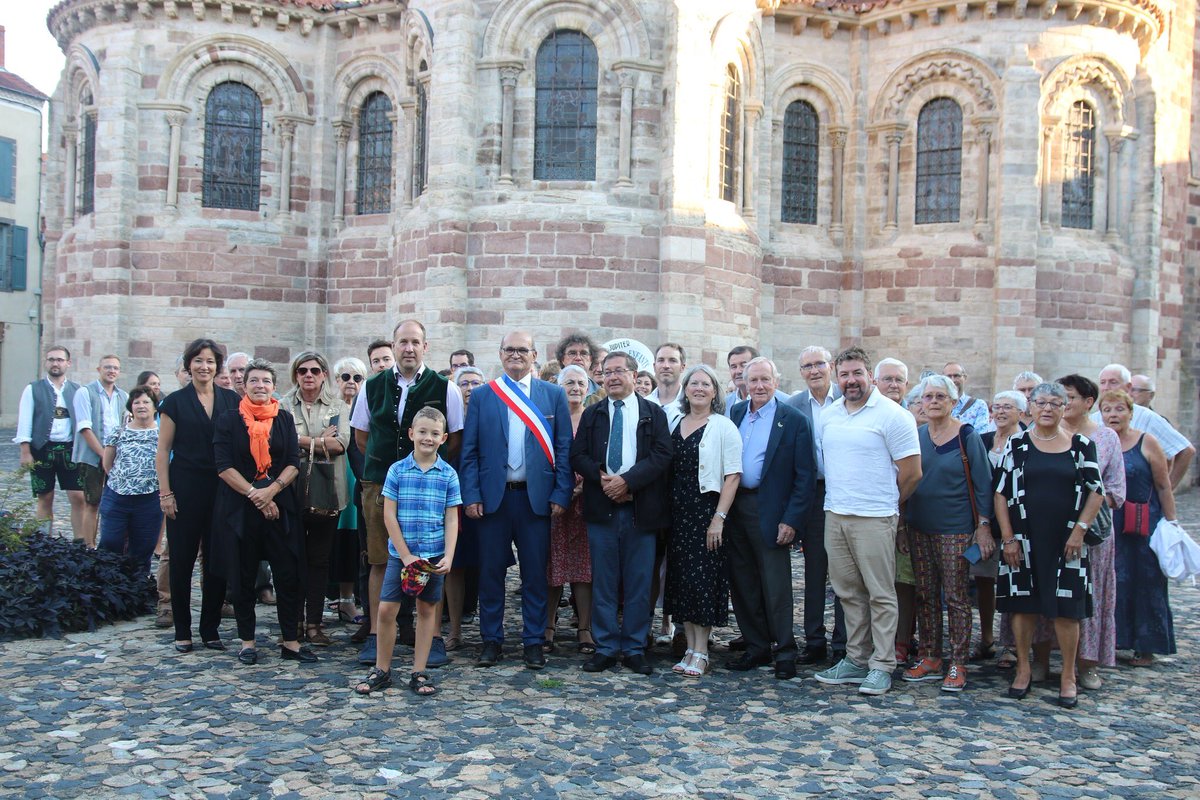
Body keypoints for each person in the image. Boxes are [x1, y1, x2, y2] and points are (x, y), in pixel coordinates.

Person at [350, 320, 464, 666]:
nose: (409, 348)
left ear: (425, 346)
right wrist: (394, 471)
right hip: (380, 484)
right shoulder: (372, 386)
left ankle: (433, 636)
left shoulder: (446, 388)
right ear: (394, 346)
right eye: (403, 342)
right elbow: (361, 437)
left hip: (430, 486)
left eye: (415, 342)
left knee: (430, 559)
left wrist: (424, 468)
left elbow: (454, 439)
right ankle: (376, 634)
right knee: (379, 559)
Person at [460, 331, 573, 669]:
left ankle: (533, 642)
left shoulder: (553, 395)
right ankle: (491, 640)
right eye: (509, 349)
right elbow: (470, 451)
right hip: (493, 500)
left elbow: (564, 449)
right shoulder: (483, 395)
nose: (515, 355)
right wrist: (471, 494)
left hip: (535, 499)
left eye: (522, 350)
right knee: (491, 573)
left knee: (535, 576)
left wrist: (561, 492)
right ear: (500, 353)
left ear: (534, 355)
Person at [814, 346, 921, 697]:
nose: (851, 380)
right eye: (844, 374)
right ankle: (857, 658)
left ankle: (883, 664)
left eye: (857, 373)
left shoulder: (893, 416)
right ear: (837, 376)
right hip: (836, 514)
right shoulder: (829, 415)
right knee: (848, 592)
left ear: (870, 376)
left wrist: (888, 502)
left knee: (880, 593)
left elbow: (912, 473)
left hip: (875, 518)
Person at [994, 382, 1104, 709]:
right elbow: (1000, 493)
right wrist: (1008, 538)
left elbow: (1096, 491)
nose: (1047, 409)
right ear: (1030, 407)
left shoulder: (1081, 445)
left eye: (1055, 403)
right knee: (1023, 606)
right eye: (1041, 402)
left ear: (1064, 408)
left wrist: (1079, 532)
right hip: (1023, 540)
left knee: (1068, 610)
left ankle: (1068, 676)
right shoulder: (1017, 444)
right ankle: (1024, 669)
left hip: (1067, 541)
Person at [571, 351, 673, 676]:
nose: (612, 377)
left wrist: (628, 481)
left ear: (634, 375)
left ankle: (634, 647)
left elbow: (662, 455)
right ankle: (604, 647)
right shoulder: (593, 413)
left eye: (619, 371)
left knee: (639, 582)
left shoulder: (653, 413)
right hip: (602, 508)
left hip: (640, 510)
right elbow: (578, 455)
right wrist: (601, 477)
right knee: (604, 581)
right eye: (607, 372)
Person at [211, 358, 313, 665]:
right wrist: (256, 495)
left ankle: (291, 641)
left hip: (280, 506)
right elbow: (223, 466)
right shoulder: (229, 419)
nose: (260, 386)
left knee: (288, 573)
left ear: (274, 386)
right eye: (254, 380)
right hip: (240, 507)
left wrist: (271, 491)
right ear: (244, 385)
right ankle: (247, 642)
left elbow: (293, 462)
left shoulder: (284, 418)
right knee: (243, 575)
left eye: (266, 381)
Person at [355, 407, 461, 696]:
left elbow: (452, 519)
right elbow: (389, 515)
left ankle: (419, 671)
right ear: (412, 434)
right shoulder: (397, 470)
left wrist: (449, 555)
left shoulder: (448, 474)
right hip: (400, 555)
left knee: (426, 610)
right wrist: (405, 556)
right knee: (387, 609)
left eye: (435, 433)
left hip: (432, 556)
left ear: (443, 438)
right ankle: (382, 669)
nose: (428, 438)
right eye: (422, 432)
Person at [900, 375, 993, 692]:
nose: (934, 402)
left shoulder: (967, 436)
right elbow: (906, 480)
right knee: (925, 594)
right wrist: (902, 525)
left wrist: (983, 526)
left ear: (953, 402)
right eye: (928, 397)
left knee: (955, 597)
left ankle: (958, 661)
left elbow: (983, 483)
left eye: (941, 396)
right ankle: (930, 656)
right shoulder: (917, 435)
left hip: (955, 528)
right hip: (918, 526)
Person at [726, 357, 815, 679]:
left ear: (776, 382)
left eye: (765, 380)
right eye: (753, 380)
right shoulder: (736, 413)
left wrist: (791, 520)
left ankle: (785, 650)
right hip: (736, 507)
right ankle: (756, 645)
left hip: (771, 511)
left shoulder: (793, 419)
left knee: (776, 585)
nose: (759, 386)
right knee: (743, 582)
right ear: (744, 383)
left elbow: (805, 476)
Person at [156, 338, 241, 653]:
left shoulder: (231, 400)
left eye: (210, 361)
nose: (204, 367)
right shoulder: (174, 402)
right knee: (182, 559)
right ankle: (182, 630)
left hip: (222, 489)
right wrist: (165, 493)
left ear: (217, 366)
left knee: (218, 561)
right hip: (185, 488)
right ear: (188, 365)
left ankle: (210, 629)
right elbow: (163, 451)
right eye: (198, 361)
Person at [663, 364, 740, 678]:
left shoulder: (723, 427)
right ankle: (689, 648)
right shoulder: (674, 421)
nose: (698, 388)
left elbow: (733, 476)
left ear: (714, 391)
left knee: (702, 583)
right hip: (677, 515)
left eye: (705, 384)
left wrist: (718, 519)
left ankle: (702, 651)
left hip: (706, 514)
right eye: (693, 383)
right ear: (685, 389)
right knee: (682, 582)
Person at [1054, 374, 1126, 691]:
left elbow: (1116, 490)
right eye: (1061, 397)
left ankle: (1087, 663)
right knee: (1049, 591)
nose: (1064, 403)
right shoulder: (1044, 431)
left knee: (1090, 596)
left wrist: (1081, 511)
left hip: (1091, 532)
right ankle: (1042, 659)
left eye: (1070, 397)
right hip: (1051, 527)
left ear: (1088, 402)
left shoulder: (1106, 438)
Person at [1101, 390, 1179, 667]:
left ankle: (1147, 646)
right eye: (1107, 410)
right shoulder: (1099, 442)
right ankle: (1113, 640)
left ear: (1130, 413)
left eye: (1119, 409)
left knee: (1146, 580)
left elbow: (1163, 485)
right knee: (1114, 580)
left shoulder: (1147, 441)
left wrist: (1171, 522)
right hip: (1109, 521)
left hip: (1143, 520)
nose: (1113, 415)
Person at [283, 352, 350, 647]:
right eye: (302, 371)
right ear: (295, 374)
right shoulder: (284, 405)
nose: (308, 375)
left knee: (319, 560)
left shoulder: (338, 405)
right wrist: (320, 440)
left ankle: (314, 623)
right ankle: (293, 621)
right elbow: (280, 441)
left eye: (314, 370)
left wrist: (300, 442)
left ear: (323, 374)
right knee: (293, 558)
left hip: (328, 491)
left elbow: (340, 444)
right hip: (290, 491)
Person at [786, 345, 846, 664]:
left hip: (846, 492)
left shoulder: (847, 398)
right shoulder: (794, 405)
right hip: (813, 494)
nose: (814, 371)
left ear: (831, 366)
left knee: (844, 571)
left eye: (819, 364)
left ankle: (844, 642)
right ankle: (814, 640)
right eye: (807, 366)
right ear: (801, 372)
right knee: (814, 570)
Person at [545, 365, 595, 656]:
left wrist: (583, 487)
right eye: (569, 383)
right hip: (554, 503)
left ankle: (584, 628)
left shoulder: (593, 418)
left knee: (583, 568)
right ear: (558, 386)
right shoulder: (550, 417)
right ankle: (548, 625)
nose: (575, 388)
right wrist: (561, 491)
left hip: (586, 503)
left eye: (580, 383)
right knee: (551, 566)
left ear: (588, 388)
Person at [13, 345, 86, 538]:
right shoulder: (33, 389)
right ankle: (44, 542)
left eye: (60, 360)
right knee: (45, 497)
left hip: (70, 449)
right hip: (42, 449)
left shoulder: (78, 390)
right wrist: (25, 451)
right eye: (51, 359)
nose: (55, 363)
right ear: (46, 362)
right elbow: (25, 421)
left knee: (78, 497)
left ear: (68, 363)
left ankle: (80, 543)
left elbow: (83, 422)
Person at [873, 357, 917, 665]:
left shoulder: (910, 419)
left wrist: (896, 511)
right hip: (873, 513)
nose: (893, 384)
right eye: (887, 379)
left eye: (898, 380)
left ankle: (902, 640)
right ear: (875, 382)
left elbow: (912, 474)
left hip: (905, 511)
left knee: (904, 582)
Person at [981, 390, 1028, 669]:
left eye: (1007, 407)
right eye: (996, 407)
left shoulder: (1028, 443)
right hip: (986, 521)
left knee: (1014, 583)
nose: (999, 412)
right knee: (984, 580)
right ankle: (987, 638)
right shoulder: (983, 440)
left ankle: (1011, 645)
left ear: (1021, 413)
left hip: (1017, 523)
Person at [97, 386, 163, 576]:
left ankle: (136, 588)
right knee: (110, 543)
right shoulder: (118, 432)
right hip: (117, 497)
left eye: (146, 402)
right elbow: (107, 464)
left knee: (143, 548)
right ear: (131, 407)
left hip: (149, 499)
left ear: (155, 407)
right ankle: (107, 584)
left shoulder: (163, 434)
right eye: (137, 402)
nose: (141, 406)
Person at [443, 365, 487, 651]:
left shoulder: (489, 416)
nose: (470, 388)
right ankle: (454, 629)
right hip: (453, 496)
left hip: (485, 497)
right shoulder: (450, 419)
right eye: (465, 383)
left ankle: (490, 631)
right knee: (454, 564)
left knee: (488, 563)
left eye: (476, 383)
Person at [1097, 364, 1193, 489]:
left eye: (1113, 382)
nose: (1106, 387)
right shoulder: (1094, 418)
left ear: (1128, 387)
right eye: (1103, 383)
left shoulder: (1147, 417)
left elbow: (1185, 450)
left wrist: (1167, 489)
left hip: (1139, 495)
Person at [72, 355, 129, 547]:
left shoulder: (123, 396)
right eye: (107, 367)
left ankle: (110, 546)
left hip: (117, 457)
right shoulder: (85, 392)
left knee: (115, 503)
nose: (112, 371)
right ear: (99, 369)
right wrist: (104, 455)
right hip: (92, 456)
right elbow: (84, 428)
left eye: (115, 368)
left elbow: (125, 426)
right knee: (92, 502)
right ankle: (89, 546)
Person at [329, 356, 368, 625]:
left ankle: (352, 598)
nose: (351, 382)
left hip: (358, 480)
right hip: (333, 480)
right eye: (345, 377)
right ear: (336, 380)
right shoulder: (331, 409)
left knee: (355, 543)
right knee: (335, 542)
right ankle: (339, 598)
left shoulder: (366, 408)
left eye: (357, 378)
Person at [557, 333, 604, 405]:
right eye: (572, 353)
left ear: (591, 359)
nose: (578, 358)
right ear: (562, 359)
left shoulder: (603, 396)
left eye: (584, 353)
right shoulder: (547, 390)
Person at [943, 362, 991, 432]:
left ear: (965, 378)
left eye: (956, 376)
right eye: (948, 377)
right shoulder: (937, 404)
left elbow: (980, 435)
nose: (952, 380)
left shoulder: (978, 405)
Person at [724, 345, 758, 411]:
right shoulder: (725, 404)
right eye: (734, 367)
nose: (738, 371)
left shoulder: (777, 400)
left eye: (743, 365)